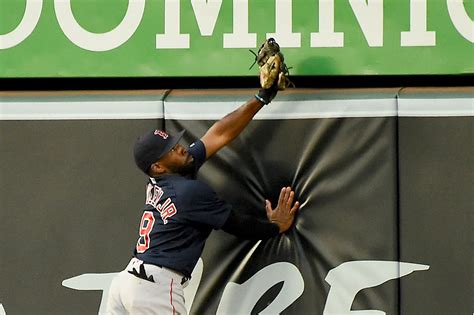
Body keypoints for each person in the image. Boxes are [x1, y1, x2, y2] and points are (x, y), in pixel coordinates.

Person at [106, 86, 299, 315]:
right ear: (158, 166)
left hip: (126, 283)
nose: (180, 148)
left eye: (175, 143)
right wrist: (276, 227)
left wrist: (261, 98)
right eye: (171, 150)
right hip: (154, 287)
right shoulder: (188, 193)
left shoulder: (171, 175)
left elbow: (218, 134)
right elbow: (238, 225)